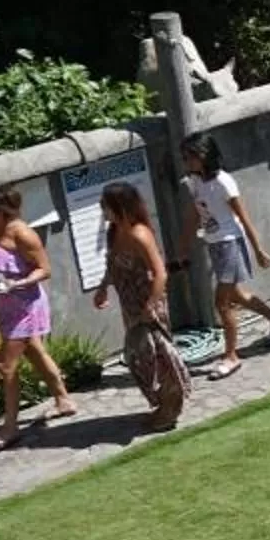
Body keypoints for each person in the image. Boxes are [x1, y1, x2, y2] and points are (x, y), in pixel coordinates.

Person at [0, 187, 79, 451]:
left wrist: (19, 283)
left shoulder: (23, 234)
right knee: (35, 353)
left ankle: (10, 428)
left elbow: (44, 270)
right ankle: (63, 400)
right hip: (5, 307)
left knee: (6, 366)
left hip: (26, 306)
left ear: (0, 214)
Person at [179, 135, 270, 380]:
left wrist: (259, 249)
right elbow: (194, 215)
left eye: (190, 156)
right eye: (184, 157)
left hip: (230, 243)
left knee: (222, 302)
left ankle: (231, 357)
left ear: (204, 155)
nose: (186, 161)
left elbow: (244, 217)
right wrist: (183, 248)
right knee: (237, 295)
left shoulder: (223, 182)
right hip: (214, 244)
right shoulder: (195, 182)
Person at [90, 181, 189, 430]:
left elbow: (160, 273)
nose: (103, 210)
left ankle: (171, 407)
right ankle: (162, 403)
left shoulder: (139, 234)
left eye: (106, 205)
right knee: (141, 357)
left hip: (148, 304)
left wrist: (150, 306)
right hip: (130, 305)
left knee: (161, 356)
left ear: (120, 206)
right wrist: (103, 287)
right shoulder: (115, 232)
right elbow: (112, 265)